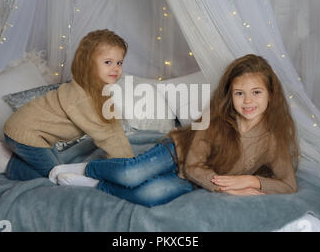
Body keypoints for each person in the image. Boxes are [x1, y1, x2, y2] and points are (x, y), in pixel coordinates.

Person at [49, 54, 299, 207]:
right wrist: (228, 188)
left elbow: (288, 184)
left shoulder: (273, 138)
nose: (248, 101)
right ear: (229, 96)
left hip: (198, 181)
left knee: (150, 195)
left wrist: (250, 181)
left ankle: (94, 184)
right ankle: (87, 168)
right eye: (239, 93)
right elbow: (192, 166)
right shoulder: (215, 120)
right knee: (132, 174)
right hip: (179, 153)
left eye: (256, 92)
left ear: (270, 94)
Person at [0, 29, 134, 180]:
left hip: (40, 136)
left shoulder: (99, 92)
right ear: (87, 64)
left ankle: (6, 154)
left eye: (119, 63)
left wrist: (130, 160)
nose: (116, 68)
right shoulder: (83, 97)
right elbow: (107, 136)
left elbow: (112, 126)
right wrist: (127, 168)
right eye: (108, 62)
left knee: (59, 168)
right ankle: (6, 163)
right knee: (58, 177)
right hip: (23, 132)